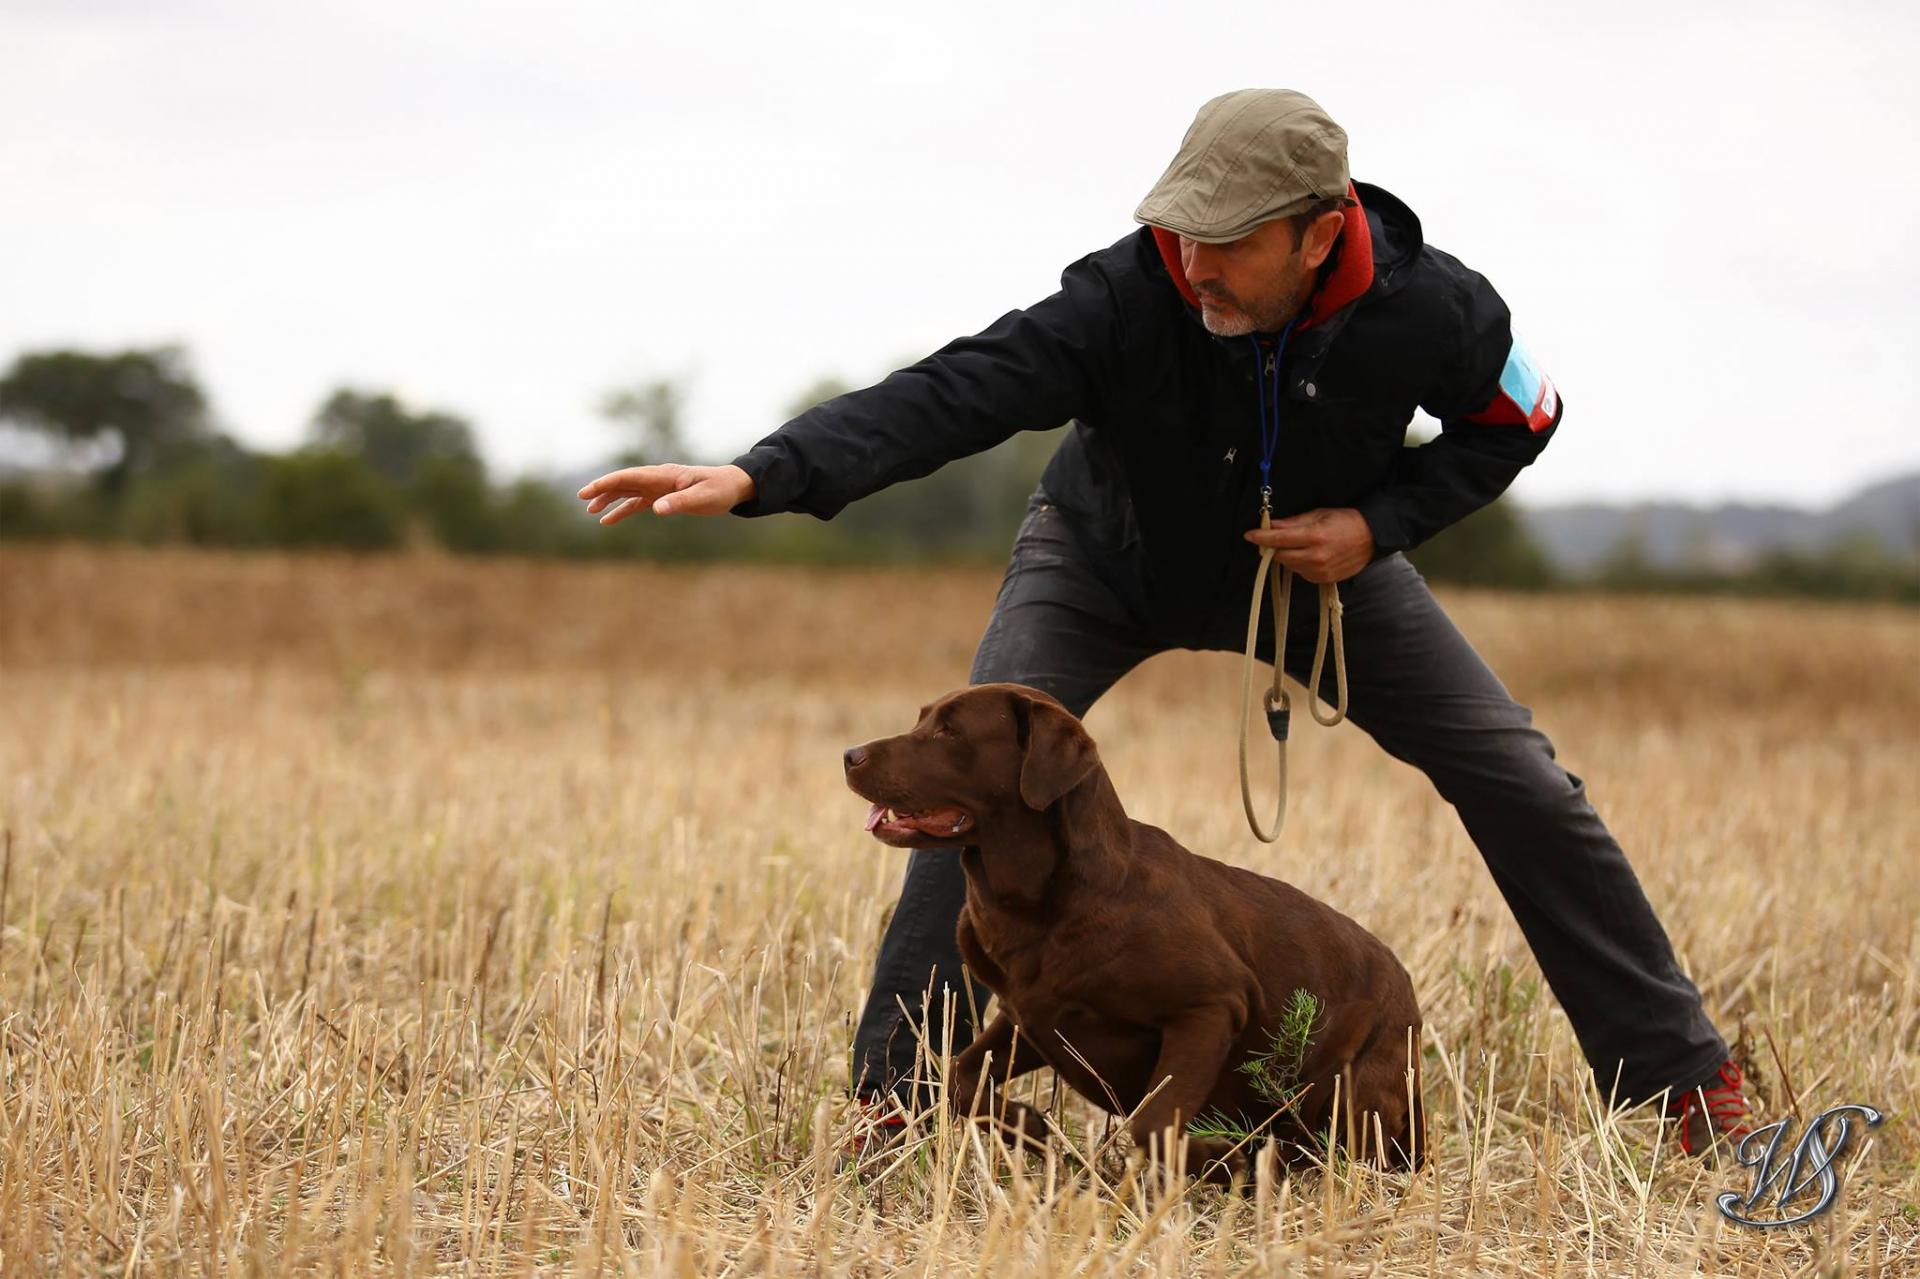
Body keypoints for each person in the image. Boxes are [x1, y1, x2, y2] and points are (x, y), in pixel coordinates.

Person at [577, 89, 1754, 1157]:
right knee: (972, 790)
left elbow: (1524, 418)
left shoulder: (1436, 309)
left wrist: (1380, 523)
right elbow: (956, 388)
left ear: (1318, 229)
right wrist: (761, 473)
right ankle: (899, 1096)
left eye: (1228, 240)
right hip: (1101, 556)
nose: (1194, 264)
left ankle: (1681, 1082)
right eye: (1181, 231)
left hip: (1316, 570)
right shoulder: (1127, 293)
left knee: (1522, 778)